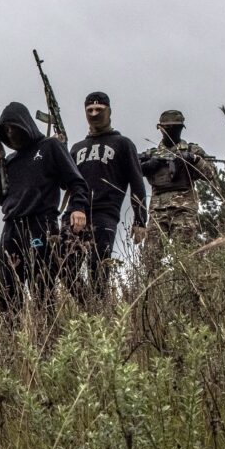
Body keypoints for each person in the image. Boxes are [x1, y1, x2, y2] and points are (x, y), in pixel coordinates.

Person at [0, 101, 90, 312]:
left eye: (14, 127)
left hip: (41, 224)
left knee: (42, 287)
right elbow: (2, 199)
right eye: (6, 130)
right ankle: (13, 339)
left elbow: (76, 181)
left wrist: (78, 207)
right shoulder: (11, 160)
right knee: (7, 291)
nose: (11, 133)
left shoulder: (49, 146)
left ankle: (47, 337)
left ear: (26, 124)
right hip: (11, 228)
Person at [63, 91, 147, 302]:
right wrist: (58, 150)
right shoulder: (77, 148)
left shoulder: (123, 144)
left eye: (99, 110)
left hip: (105, 214)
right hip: (74, 213)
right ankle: (86, 308)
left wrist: (140, 220)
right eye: (89, 110)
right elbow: (65, 183)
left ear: (109, 111)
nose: (94, 114)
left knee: (98, 269)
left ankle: (99, 313)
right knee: (61, 265)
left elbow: (137, 182)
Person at [138, 109, 215, 265]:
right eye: (168, 127)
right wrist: (148, 165)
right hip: (158, 211)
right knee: (151, 258)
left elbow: (211, 174)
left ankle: (186, 287)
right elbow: (132, 171)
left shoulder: (192, 151)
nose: (171, 131)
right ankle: (154, 288)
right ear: (160, 128)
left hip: (184, 209)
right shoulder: (151, 153)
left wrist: (193, 159)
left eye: (176, 127)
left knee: (185, 256)